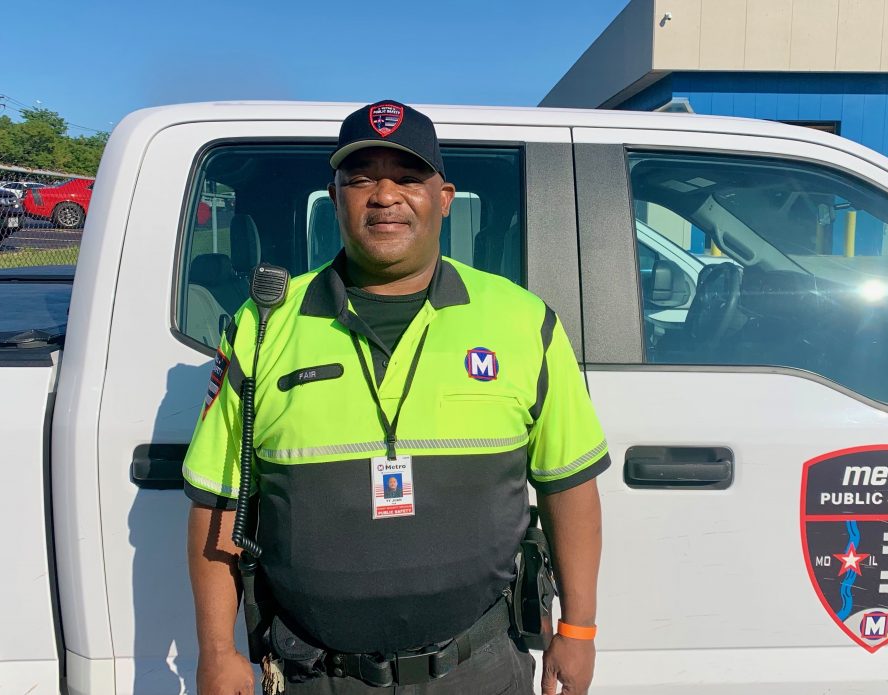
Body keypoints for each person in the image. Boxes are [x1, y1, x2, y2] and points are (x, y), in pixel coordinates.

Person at [184, 100, 610, 695]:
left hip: (481, 665)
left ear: (444, 198)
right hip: (317, 674)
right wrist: (216, 651)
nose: (384, 195)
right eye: (360, 180)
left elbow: (569, 485)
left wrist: (579, 629)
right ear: (335, 200)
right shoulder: (263, 325)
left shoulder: (523, 321)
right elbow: (219, 502)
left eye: (408, 178)